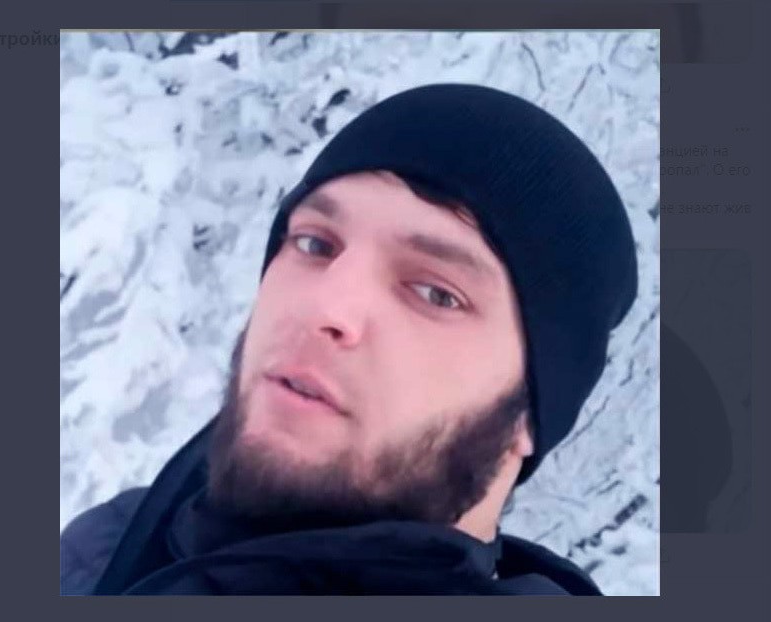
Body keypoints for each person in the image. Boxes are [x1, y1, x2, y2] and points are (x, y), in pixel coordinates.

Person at [60, 83, 639, 595]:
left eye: (436, 293)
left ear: (529, 415)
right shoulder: (102, 547)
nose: (325, 306)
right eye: (315, 244)